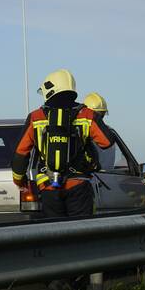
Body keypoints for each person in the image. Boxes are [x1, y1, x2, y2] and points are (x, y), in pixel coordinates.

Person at [12, 69, 113, 219]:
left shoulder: (36, 117)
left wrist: (19, 180)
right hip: (78, 185)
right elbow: (107, 142)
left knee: (55, 233)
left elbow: (21, 153)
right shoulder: (86, 114)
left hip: (48, 186)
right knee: (82, 233)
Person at [83, 92, 116, 171]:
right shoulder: (108, 135)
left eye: (102, 115)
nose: (99, 119)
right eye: (97, 115)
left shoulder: (107, 135)